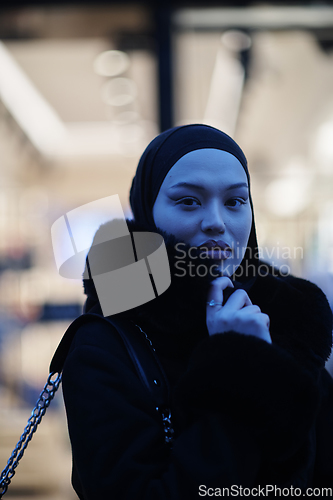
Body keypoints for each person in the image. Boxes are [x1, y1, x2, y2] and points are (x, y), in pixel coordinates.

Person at [60, 124, 333, 499]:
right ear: (146, 213)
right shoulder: (106, 342)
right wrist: (239, 365)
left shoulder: (288, 321)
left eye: (236, 201)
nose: (217, 222)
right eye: (189, 201)